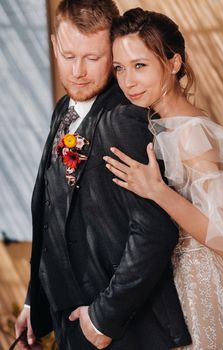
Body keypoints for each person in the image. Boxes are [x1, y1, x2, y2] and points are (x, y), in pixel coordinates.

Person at [14, 1, 192, 350]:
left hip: (121, 332)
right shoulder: (63, 109)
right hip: (70, 324)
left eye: (93, 58)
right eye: (68, 55)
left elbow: (154, 229)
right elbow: (51, 216)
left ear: (111, 53)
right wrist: (34, 304)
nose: (78, 71)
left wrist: (103, 319)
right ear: (53, 45)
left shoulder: (125, 117)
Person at [104, 7, 223, 349]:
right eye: (120, 68)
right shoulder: (160, 127)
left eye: (140, 65)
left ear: (173, 63)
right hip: (172, 291)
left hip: (200, 288)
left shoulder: (191, 133)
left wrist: (158, 191)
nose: (128, 80)